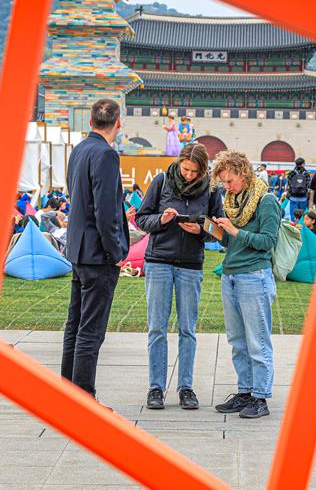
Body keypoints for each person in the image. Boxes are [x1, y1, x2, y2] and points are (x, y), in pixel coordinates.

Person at [135, 142, 222, 411]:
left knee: (188, 329)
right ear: (179, 162)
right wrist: (161, 220)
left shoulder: (210, 190)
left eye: (195, 172)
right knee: (157, 328)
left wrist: (200, 231)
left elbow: (219, 230)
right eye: (186, 169)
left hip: (190, 264)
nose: (189, 175)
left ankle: (186, 387)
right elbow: (141, 219)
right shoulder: (161, 181)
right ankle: (156, 388)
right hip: (159, 261)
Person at [62, 99, 129, 400]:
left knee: (75, 323)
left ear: (90, 122)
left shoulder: (79, 150)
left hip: (78, 248)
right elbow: (106, 211)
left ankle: (68, 389)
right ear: (118, 123)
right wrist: (116, 253)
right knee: (91, 329)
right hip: (97, 252)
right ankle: (83, 395)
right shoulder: (105, 155)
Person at [211, 150, 282, 420]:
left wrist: (234, 231)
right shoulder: (233, 201)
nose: (226, 187)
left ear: (243, 172)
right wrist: (216, 231)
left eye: (230, 181)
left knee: (257, 340)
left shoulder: (266, 201)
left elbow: (267, 242)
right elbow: (232, 243)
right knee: (237, 340)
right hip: (231, 274)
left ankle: (260, 396)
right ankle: (245, 391)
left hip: (254, 275)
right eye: (223, 183)